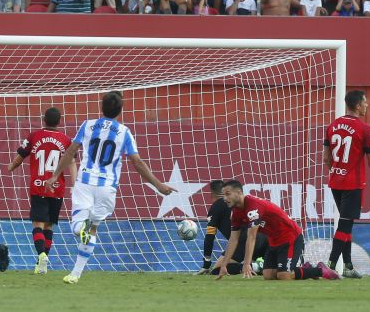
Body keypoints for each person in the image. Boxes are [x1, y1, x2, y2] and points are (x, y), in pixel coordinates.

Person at [44, 91, 176, 284]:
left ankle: (81, 229)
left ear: (101, 106)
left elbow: (72, 150)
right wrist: (158, 184)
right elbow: (137, 162)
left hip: (85, 182)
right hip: (107, 187)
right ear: (120, 110)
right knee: (93, 228)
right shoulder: (124, 132)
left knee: (78, 227)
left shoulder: (88, 125)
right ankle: (75, 274)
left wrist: (55, 175)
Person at [213, 180, 338, 280]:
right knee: (268, 275)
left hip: (290, 237)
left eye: (227, 194)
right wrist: (224, 265)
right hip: (273, 241)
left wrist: (246, 264)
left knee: (284, 276)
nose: (224, 198)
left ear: (239, 192)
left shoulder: (252, 206)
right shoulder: (236, 212)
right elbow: (233, 239)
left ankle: (320, 270)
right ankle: (305, 268)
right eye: (223, 194)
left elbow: (252, 238)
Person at [6, 108, 77, 274]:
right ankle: (42, 262)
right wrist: (74, 185)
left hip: (38, 186)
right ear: (59, 121)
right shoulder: (67, 140)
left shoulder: (33, 136)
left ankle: (41, 255)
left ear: (43, 119)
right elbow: (72, 162)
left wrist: (10, 167)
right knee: (49, 226)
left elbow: (20, 156)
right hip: (57, 188)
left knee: (37, 224)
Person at [323, 90, 370, 278]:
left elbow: (326, 158)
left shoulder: (332, 125)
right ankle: (331, 263)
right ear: (357, 106)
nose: (367, 105)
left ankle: (348, 266)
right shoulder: (365, 129)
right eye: (365, 102)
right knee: (345, 224)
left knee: (345, 223)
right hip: (353, 184)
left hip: (335, 181)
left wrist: (337, 170)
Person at [197, 180, 269, 275]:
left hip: (245, 240)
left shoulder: (216, 207)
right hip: (264, 238)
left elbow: (210, 236)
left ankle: (256, 267)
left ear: (212, 194)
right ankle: (263, 265)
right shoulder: (239, 204)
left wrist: (206, 264)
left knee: (217, 270)